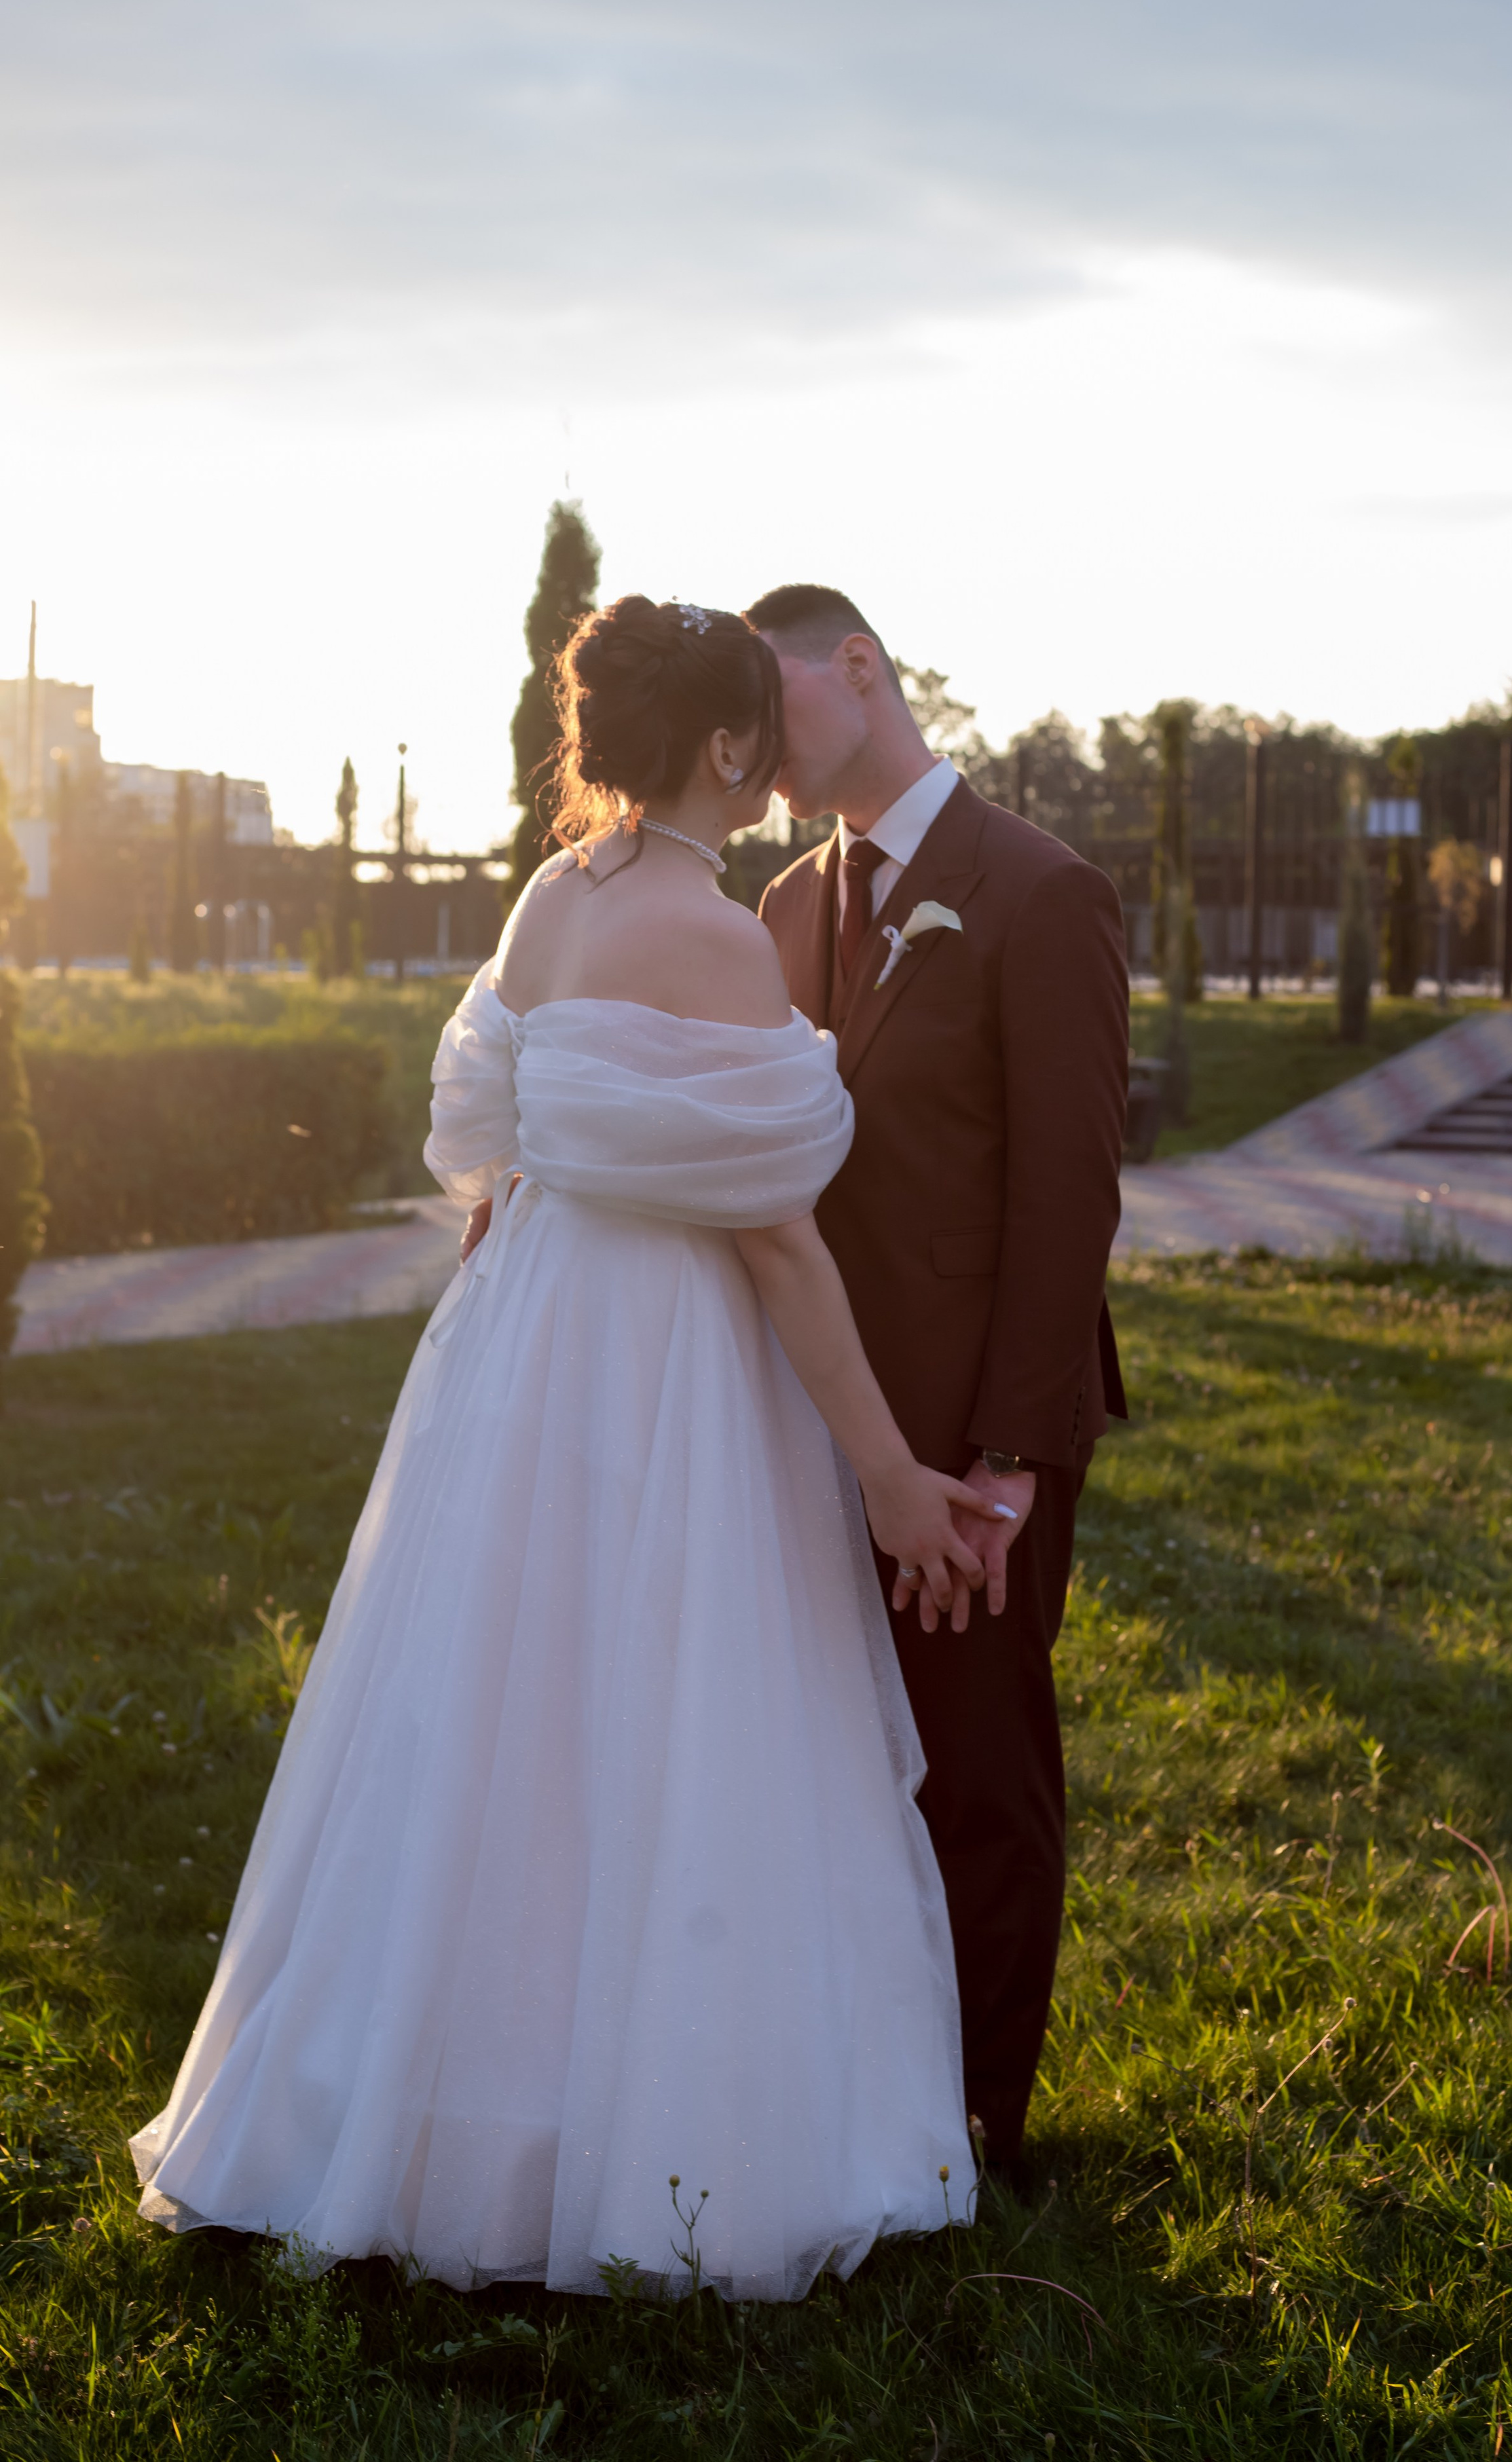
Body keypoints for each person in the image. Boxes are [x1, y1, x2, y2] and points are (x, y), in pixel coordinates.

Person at [131, 596, 997, 2302]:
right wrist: (891, 1470)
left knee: (491, 1721)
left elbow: (486, 1157)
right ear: (731, 744)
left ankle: (436, 2111)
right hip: (669, 1360)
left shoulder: (546, 899)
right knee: (667, 1716)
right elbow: (776, 1241)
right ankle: (654, 2150)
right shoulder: (719, 934)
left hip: (525, 1340)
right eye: (760, 743)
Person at [748, 583, 1128, 2187]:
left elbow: (1067, 1200)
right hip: (807, 1422)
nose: (757, 753)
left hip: (969, 1437)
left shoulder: (1038, 894)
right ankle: (858, 2091)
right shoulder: (776, 906)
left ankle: (982, 2125)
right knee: (832, 1762)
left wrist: (1008, 1458)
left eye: (775, 713)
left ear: (858, 668)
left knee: (974, 1769)